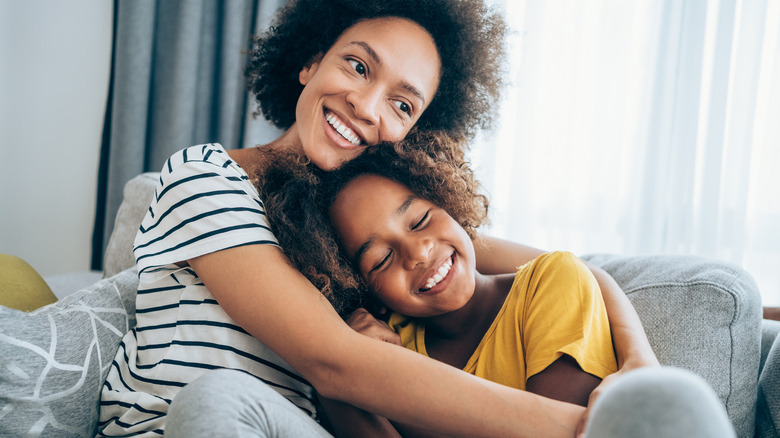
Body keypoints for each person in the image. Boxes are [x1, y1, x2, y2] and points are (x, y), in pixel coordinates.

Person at [98, 0, 658, 437]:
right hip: (170, 424)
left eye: (402, 104)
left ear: (414, 132)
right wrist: (603, 428)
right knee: (216, 397)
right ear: (311, 60)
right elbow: (333, 362)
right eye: (358, 66)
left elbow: (573, 268)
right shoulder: (206, 178)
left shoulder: (366, 228)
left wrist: (640, 363)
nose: (366, 106)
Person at [257, 134, 736, 437]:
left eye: (422, 219)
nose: (419, 253)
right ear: (360, 285)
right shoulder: (387, 346)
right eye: (381, 259)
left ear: (448, 200)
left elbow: (561, 426)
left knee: (679, 397)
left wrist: (638, 357)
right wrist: (357, 378)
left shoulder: (551, 283)